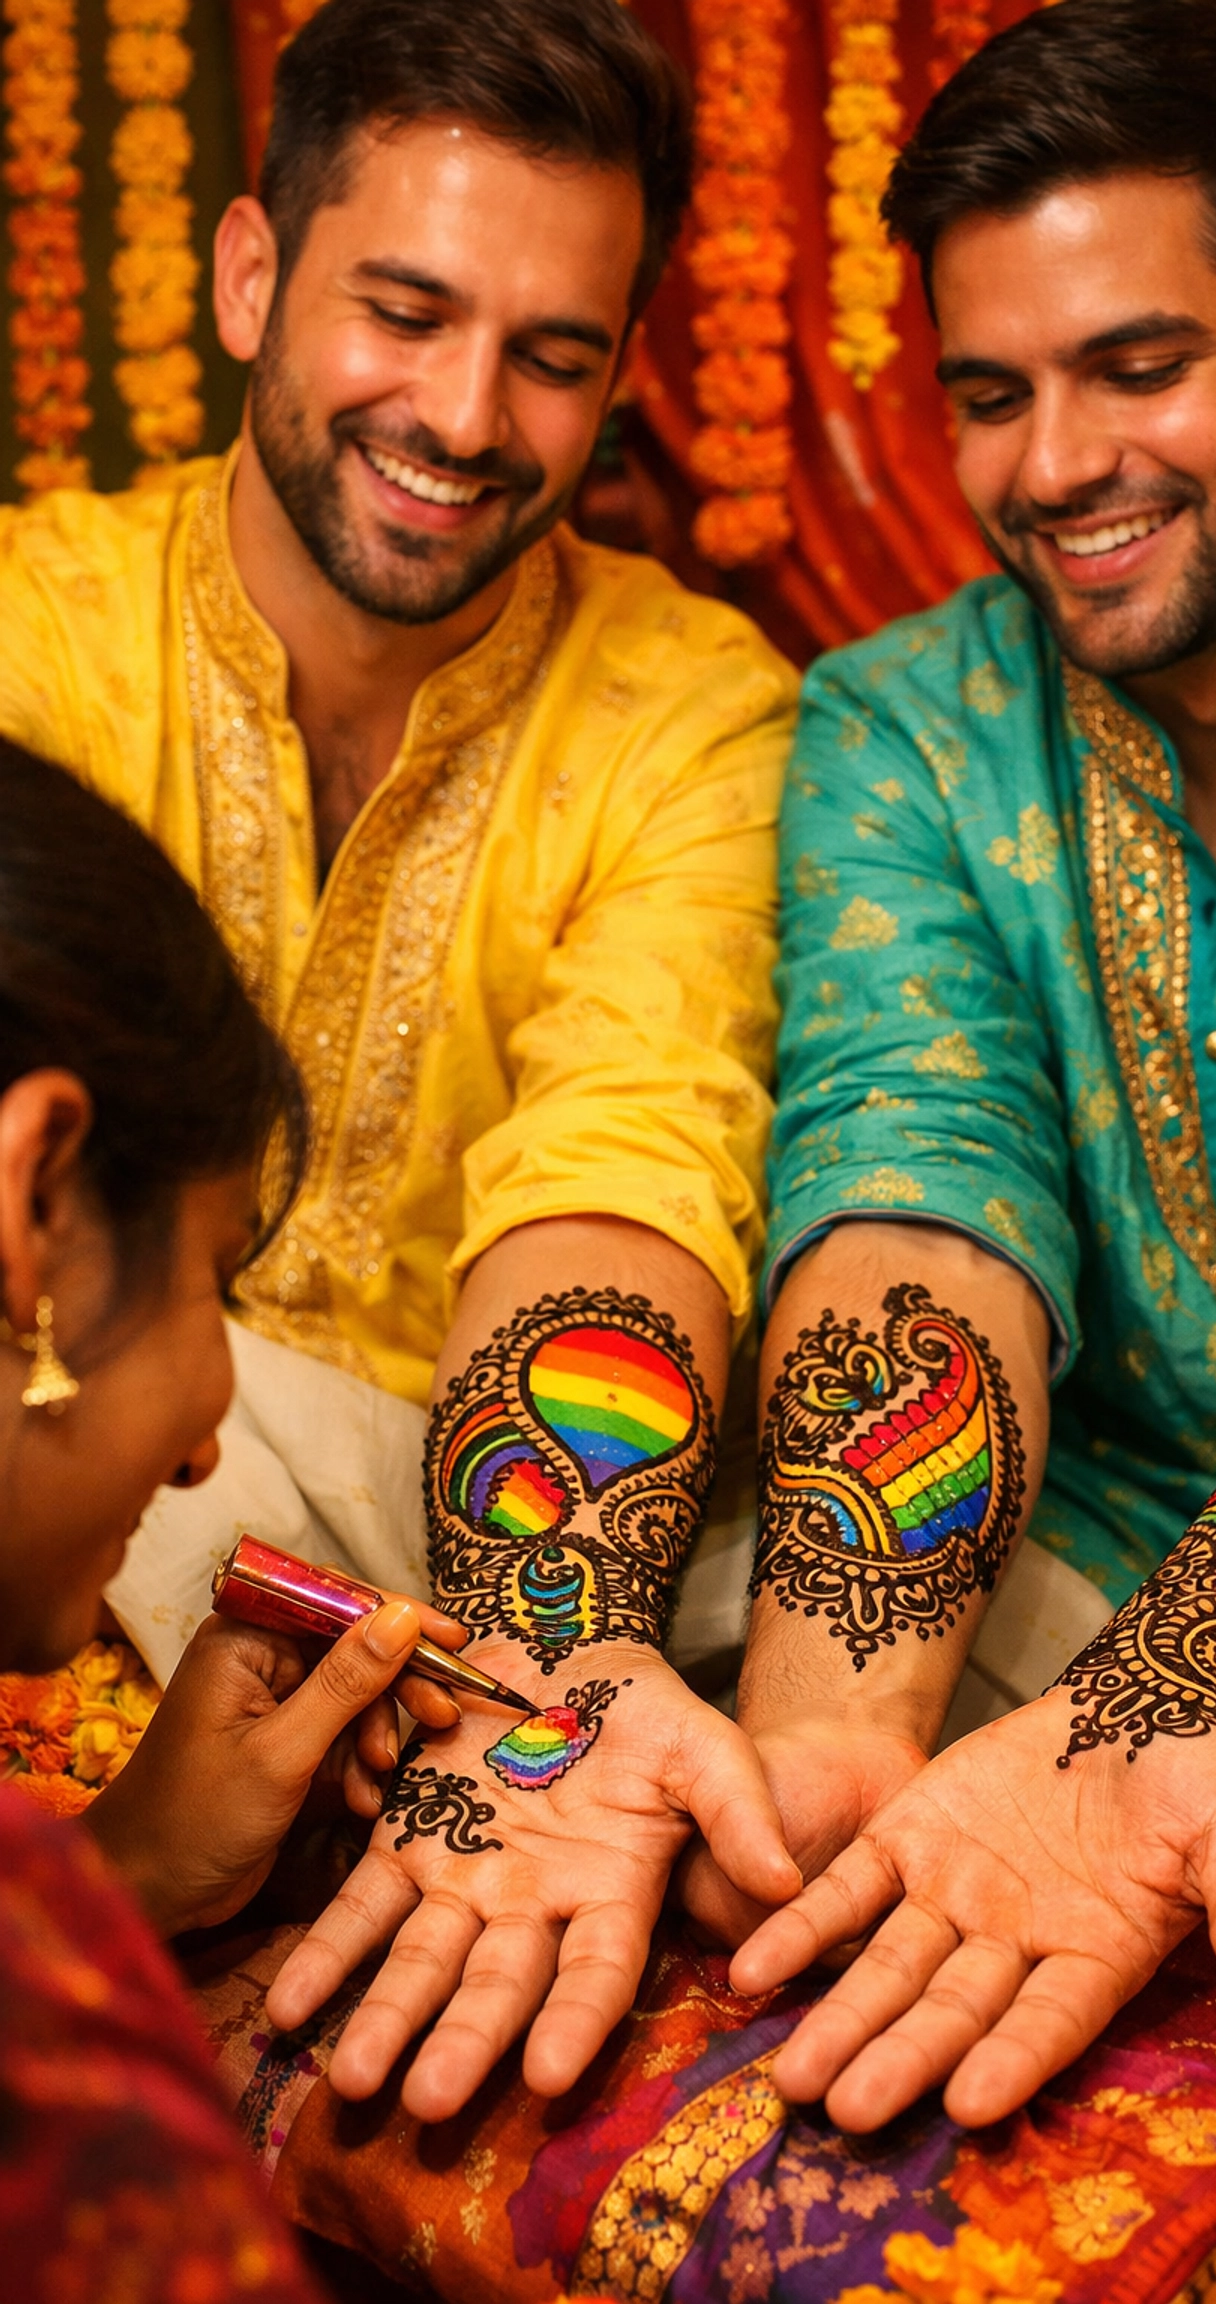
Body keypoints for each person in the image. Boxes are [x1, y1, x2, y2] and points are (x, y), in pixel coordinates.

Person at [705, 0, 1216, 2139]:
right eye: (991, 395)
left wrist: (1157, 1717)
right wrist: (833, 1739)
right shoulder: (906, 728)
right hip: (1043, 1669)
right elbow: (917, 1197)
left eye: (1137, 368)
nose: (1052, 465)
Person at [0, 0, 800, 2122]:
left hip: (551, 1513)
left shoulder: (696, 713)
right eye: (407, 311)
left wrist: (545, 1670)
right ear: (255, 277)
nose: (462, 414)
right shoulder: (34, 635)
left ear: (624, 367)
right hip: (104, 1466)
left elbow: (631, 1167)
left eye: (552, 352)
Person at [0, 737, 485, 2295]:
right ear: (33, 1200)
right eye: (217, 1276)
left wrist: (121, 1868)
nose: (213, 1450)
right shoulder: (61, 2079)